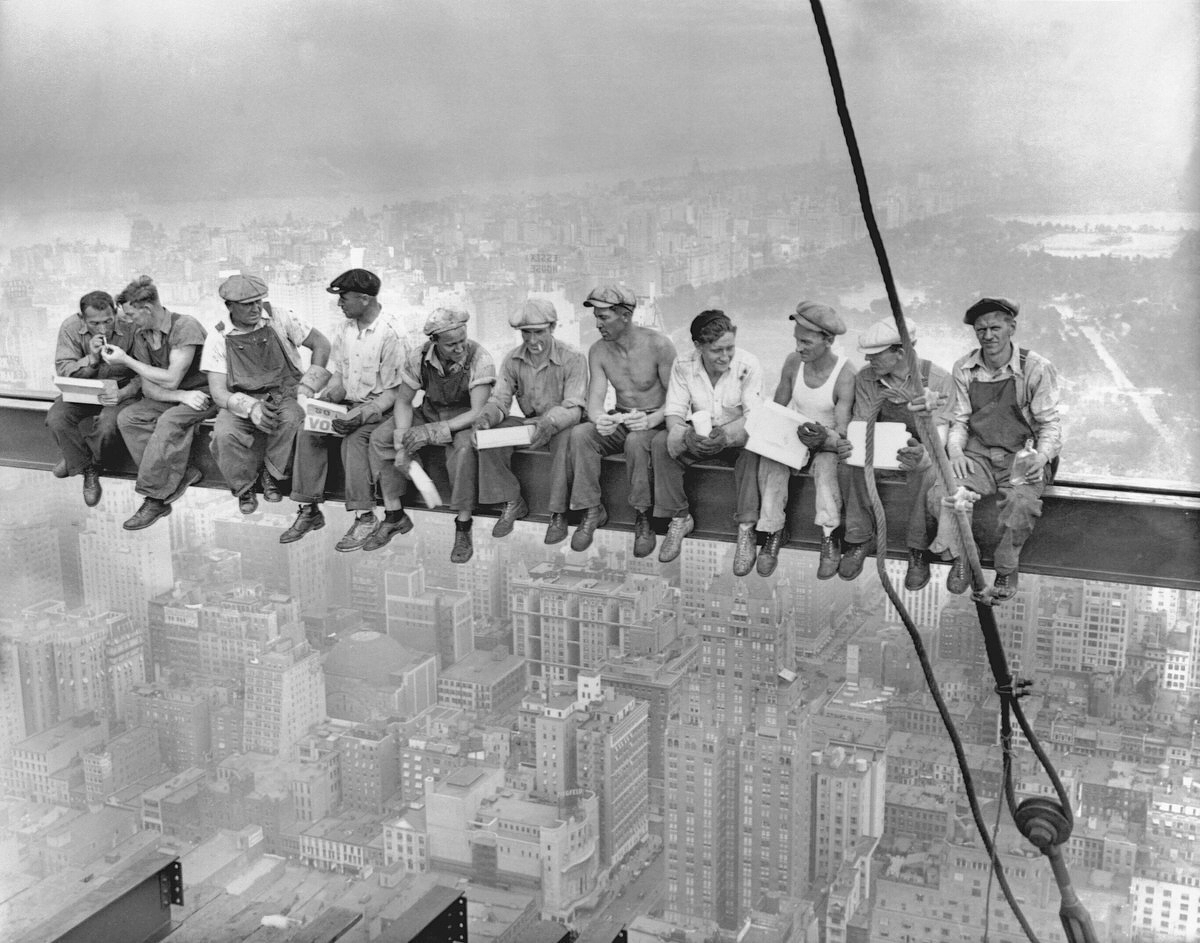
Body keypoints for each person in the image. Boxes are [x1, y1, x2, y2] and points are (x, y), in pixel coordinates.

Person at [927, 297, 1062, 600]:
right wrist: (957, 453)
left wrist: (1041, 456)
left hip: (1022, 455)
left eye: (995, 327)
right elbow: (959, 420)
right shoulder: (965, 367)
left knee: (1021, 505)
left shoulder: (1036, 368)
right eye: (980, 330)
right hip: (979, 455)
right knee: (943, 494)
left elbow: (1050, 424)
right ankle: (964, 558)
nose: (988, 336)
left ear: (1011, 327)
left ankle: (1006, 566)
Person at [280, 268, 405, 551]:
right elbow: (340, 376)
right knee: (308, 429)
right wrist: (325, 402)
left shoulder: (391, 333)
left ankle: (365, 517)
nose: (340, 304)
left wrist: (360, 414)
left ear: (363, 299)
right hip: (350, 404)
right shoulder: (345, 330)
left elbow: (394, 393)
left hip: (382, 412)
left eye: (344, 298)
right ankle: (309, 509)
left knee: (355, 440)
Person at [370, 307, 495, 563]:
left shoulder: (481, 359)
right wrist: (402, 440)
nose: (459, 348)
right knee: (381, 438)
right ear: (434, 342)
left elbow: (477, 411)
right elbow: (404, 402)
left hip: (462, 419)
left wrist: (431, 433)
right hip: (430, 410)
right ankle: (394, 514)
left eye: (462, 341)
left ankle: (463, 524)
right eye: (451, 345)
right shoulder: (418, 357)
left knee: (463, 451)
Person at [838, 317, 953, 590]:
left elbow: (941, 434)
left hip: (921, 451)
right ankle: (859, 537)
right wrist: (852, 444)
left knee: (925, 473)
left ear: (900, 353)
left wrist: (923, 453)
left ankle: (917, 549)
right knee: (848, 464)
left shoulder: (937, 379)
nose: (868, 359)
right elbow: (862, 422)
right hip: (880, 448)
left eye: (875, 355)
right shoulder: (867, 378)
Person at [201, 273, 332, 515]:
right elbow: (218, 392)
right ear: (229, 306)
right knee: (224, 434)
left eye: (258, 301)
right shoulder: (218, 336)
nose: (256, 308)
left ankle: (272, 475)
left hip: (285, 392)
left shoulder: (280, 317)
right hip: (242, 398)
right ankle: (244, 488)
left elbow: (322, 344)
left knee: (293, 420)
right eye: (247, 304)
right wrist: (250, 408)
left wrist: (307, 386)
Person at [568, 285, 676, 556]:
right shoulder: (598, 351)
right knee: (581, 434)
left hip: (656, 420)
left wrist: (651, 420)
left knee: (637, 441)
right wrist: (600, 419)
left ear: (625, 316)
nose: (597, 324)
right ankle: (592, 509)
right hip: (622, 416)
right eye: (596, 317)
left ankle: (643, 516)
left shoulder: (659, 345)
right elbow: (595, 400)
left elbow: (677, 400)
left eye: (604, 317)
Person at [651, 310, 763, 570]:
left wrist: (725, 436)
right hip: (700, 435)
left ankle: (746, 528)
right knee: (660, 444)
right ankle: (679, 517)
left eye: (729, 348)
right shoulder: (683, 365)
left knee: (753, 451)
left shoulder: (748, 364)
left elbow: (754, 417)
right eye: (716, 351)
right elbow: (674, 412)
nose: (725, 357)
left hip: (736, 436)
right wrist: (687, 436)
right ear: (698, 346)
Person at [104, 276, 216, 530]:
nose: (129, 321)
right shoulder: (143, 334)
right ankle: (181, 473)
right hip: (180, 396)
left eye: (132, 315)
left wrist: (127, 361)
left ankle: (155, 498)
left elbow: (171, 377)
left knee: (168, 421)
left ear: (148, 309)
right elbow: (148, 385)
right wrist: (180, 396)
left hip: (204, 394)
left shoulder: (185, 327)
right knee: (129, 418)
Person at [755, 301, 857, 578]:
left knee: (825, 470)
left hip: (826, 440)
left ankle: (829, 535)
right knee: (772, 462)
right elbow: (778, 407)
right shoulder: (793, 362)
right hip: (795, 433)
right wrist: (771, 435)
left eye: (806, 342)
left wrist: (824, 438)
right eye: (796, 340)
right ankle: (773, 529)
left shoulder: (845, 375)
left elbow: (843, 428)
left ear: (829, 341)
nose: (799, 347)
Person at [472, 298, 587, 543]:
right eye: (526, 333)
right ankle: (512, 500)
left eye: (539, 333)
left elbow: (574, 407)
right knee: (489, 438)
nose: (533, 341)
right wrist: (485, 419)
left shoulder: (573, 358)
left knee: (566, 440)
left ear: (552, 328)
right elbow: (501, 400)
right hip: (531, 423)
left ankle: (558, 512)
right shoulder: (513, 359)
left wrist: (549, 422)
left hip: (561, 423)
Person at [48, 290, 140, 507]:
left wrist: (123, 393)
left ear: (115, 313)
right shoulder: (70, 327)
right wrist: (92, 359)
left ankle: (78, 460)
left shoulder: (131, 326)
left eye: (108, 321)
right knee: (57, 419)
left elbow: (143, 371)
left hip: (120, 390)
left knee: (108, 425)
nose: (103, 328)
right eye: (95, 323)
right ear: (82, 318)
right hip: (82, 389)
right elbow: (64, 369)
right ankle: (86, 468)